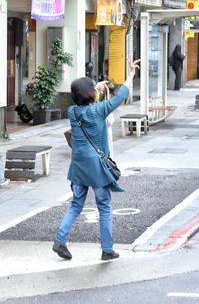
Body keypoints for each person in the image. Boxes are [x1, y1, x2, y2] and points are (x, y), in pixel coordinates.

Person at [53, 58, 140, 261]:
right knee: (104, 206)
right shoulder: (99, 110)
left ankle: (60, 240)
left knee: (76, 204)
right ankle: (107, 249)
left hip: (78, 165)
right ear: (90, 94)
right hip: (97, 166)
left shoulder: (72, 112)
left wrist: (97, 87)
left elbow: (87, 99)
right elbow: (120, 96)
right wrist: (130, 75)